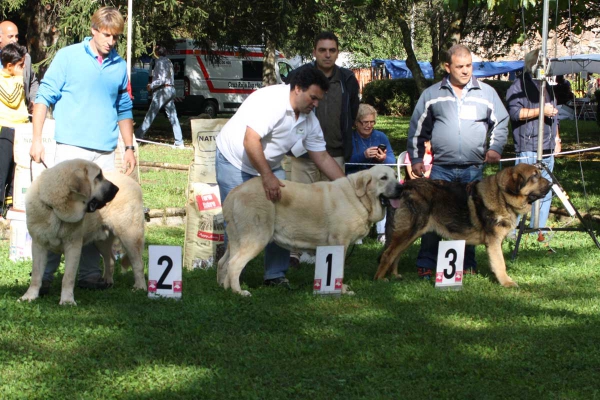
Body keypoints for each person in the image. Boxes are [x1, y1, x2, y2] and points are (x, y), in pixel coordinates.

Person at [29, 6, 136, 293]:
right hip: (70, 151)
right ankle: (45, 276)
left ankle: (89, 275)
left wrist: (128, 147)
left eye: (115, 37)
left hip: (103, 151)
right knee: (56, 212)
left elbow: (124, 108)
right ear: (93, 29)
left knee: (93, 213)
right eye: (105, 35)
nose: (110, 42)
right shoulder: (68, 57)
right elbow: (43, 97)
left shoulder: (118, 66)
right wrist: (36, 138)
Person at [215, 67, 345, 288]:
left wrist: (346, 186)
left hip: (269, 164)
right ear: (297, 89)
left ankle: (275, 276)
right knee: (241, 220)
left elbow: (322, 156)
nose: (316, 104)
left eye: (319, 100)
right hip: (234, 160)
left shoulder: (309, 119)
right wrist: (267, 177)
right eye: (313, 98)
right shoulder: (271, 101)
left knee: (281, 217)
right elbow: (251, 141)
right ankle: (233, 275)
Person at [407, 44, 509, 280]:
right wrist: (415, 158)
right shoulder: (431, 94)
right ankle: (426, 262)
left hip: (474, 170)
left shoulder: (487, 93)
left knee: (472, 220)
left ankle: (467, 264)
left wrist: (495, 148)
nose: (465, 71)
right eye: (460, 66)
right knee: (432, 217)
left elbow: (501, 123)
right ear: (447, 67)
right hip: (441, 168)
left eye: (469, 66)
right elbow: (417, 129)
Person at [284, 31, 359, 266]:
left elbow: (353, 111)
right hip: (302, 153)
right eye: (322, 50)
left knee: (334, 206)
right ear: (314, 51)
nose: (327, 54)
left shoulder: (347, 79)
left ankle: (326, 253)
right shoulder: (300, 75)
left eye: (332, 50)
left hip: (334, 153)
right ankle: (294, 251)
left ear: (337, 52)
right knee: (298, 204)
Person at [506, 48, 561, 239]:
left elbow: (555, 115)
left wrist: (557, 138)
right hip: (528, 147)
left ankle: (539, 229)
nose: (546, 67)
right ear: (533, 64)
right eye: (542, 63)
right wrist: (540, 111)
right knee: (521, 190)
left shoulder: (548, 87)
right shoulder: (518, 86)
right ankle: (512, 230)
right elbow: (515, 114)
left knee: (545, 189)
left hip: (548, 146)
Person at [346, 103, 396, 243]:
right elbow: (344, 163)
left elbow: (392, 160)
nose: (369, 125)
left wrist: (383, 158)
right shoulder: (349, 138)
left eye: (372, 122)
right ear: (356, 123)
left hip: (377, 182)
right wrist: (363, 156)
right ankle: (356, 234)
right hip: (356, 180)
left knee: (386, 190)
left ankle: (382, 233)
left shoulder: (380, 136)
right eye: (365, 122)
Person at [134, 44, 184, 149]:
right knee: (173, 116)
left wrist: (151, 86)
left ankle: (137, 137)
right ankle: (179, 142)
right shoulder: (169, 62)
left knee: (150, 115)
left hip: (163, 90)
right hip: (171, 89)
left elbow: (161, 79)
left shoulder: (160, 62)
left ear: (157, 53)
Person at [0, 43, 29, 217]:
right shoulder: (3, 80)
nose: (23, 68)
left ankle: (11, 206)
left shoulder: (17, 78)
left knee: (16, 171)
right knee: (3, 169)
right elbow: (11, 98)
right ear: (9, 66)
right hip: (6, 129)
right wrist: (19, 79)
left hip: (21, 129)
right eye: (20, 65)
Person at [0, 20, 39, 113]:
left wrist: (33, 100)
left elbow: (33, 82)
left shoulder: (25, 58)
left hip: (21, 117)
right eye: (10, 36)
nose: (15, 40)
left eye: (16, 36)